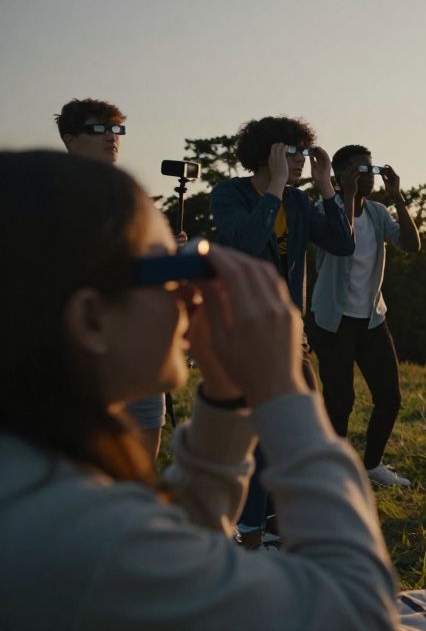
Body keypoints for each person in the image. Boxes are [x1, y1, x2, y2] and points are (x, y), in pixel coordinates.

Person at [0, 150, 399, 629]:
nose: (189, 293)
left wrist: (227, 400)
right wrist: (283, 391)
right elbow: (356, 613)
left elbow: (177, 543)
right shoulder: (79, 536)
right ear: (90, 319)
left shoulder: (35, 476)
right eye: (167, 268)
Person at [211, 116, 355, 548]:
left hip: (291, 332)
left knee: (299, 430)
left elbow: (343, 243)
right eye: (291, 153)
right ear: (268, 153)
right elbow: (245, 243)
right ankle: (250, 528)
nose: (299, 161)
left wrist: (327, 186)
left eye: (304, 152)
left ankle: (275, 520)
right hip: (246, 330)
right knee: (258, 435)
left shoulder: (297, 203)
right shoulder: (230, 194)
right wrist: (273, 187)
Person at [55, 97, 169, 460]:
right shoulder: (49, 193)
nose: (112, 137)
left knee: (141, 465)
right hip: (79, 348)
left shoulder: (130, 195)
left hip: (136, 341)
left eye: (116, 129)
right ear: (71, 140)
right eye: (99, 129)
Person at [308, 145, 420, 488]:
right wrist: (347, 196)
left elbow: (412, 245)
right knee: (339, 402)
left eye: (369, 170)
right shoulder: (322, 210)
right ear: (338, 176)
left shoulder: (378, 212)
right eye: (358, 171)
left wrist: (398, 197)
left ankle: (372, 465)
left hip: (372, 318)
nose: (367, 177)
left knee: (390, 397)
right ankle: (334, 471)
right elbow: (343, 241)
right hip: (332, 319)